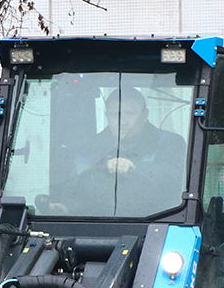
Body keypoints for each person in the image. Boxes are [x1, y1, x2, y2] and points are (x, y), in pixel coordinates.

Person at [43, 87, 189, 217]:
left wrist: (134, 165)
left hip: (157, 222)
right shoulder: (90, 150)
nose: (122, 121)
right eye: (115, 114)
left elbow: (177, 178)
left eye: (130, 113)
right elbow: (80, 191)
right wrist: (67, 207)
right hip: (103, 226)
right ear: (107, 116)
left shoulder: (169, 143)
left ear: (145, 115)